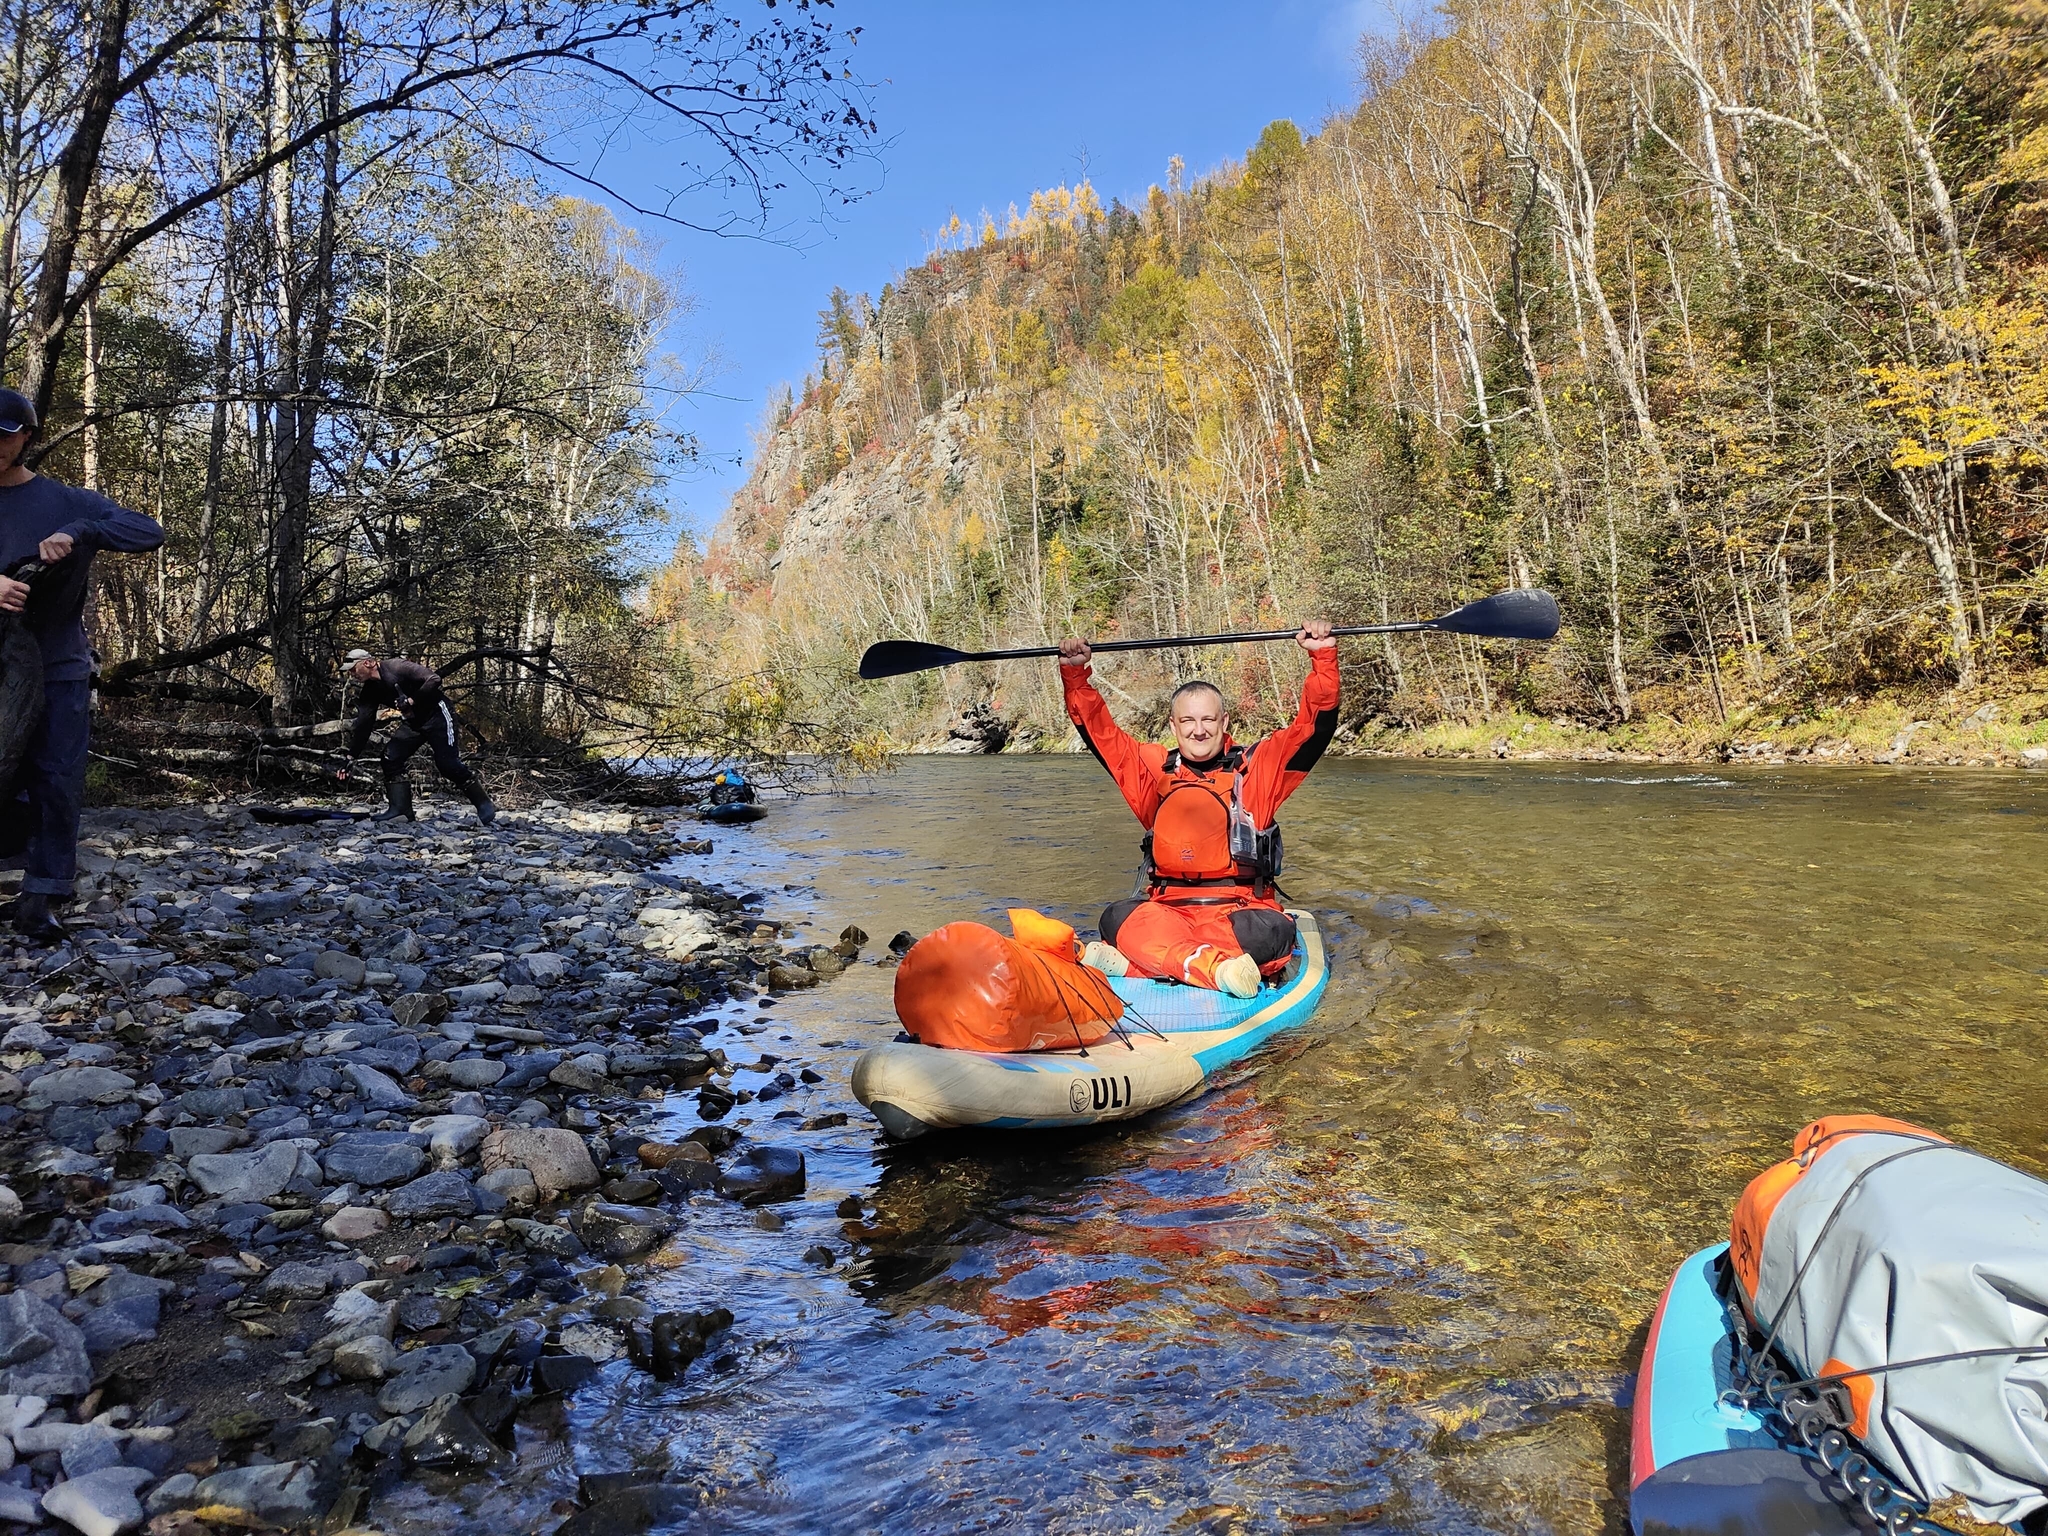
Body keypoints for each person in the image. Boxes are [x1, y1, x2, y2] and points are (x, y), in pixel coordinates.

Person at [1058, 621, 1338, 997]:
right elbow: (1100, 733)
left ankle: (1143, 965)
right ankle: (1215, 969)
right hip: (1169, 910)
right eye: (1188, 720)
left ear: (1224, 722)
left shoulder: (1258, 769)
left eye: (1208, 719)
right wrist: (1076, 675)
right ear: (1173, 725)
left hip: (1238, 912)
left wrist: (1322, 658)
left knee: (1272, 933)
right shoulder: (1152, 772)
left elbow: (1314, 727)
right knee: (1117, 916)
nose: (1198, 730)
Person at [0, 386, 165, 944]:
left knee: (56, 777)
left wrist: (81, 531)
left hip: (58, 665)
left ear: (26, 438)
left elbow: (149, 532)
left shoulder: (67, 500)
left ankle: (42, 896)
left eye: (6, 435)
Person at [342, 650, 496, 825]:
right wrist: (350, 756)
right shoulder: (370, 690)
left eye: (353, 669)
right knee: (390, 758)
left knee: (447, 765)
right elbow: (364, 724)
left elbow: (434, 679)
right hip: (414, 723)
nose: (351, 674)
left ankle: (483, 803)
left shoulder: (397, 667)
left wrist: (411, 701)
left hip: (438, 716)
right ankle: (401, 810)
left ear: (368, 663)